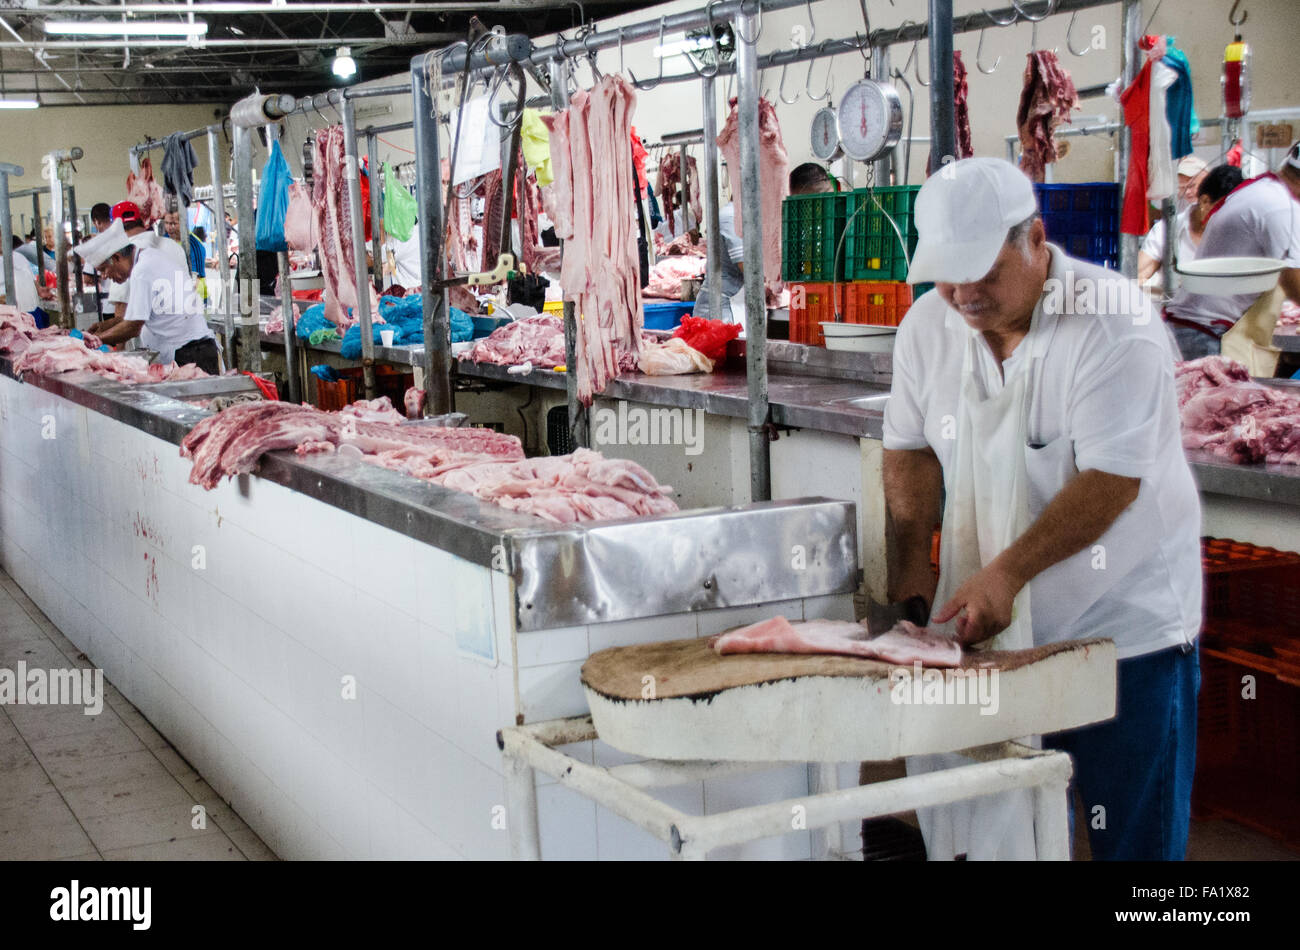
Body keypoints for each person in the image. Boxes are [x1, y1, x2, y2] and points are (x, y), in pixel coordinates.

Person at [882, 157, 1201, 860]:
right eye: (947, 273)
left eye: (985, 272)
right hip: (991, 638)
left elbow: (1111, 482)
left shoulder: (1112, 325)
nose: (963, 293)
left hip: (1122, 633)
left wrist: (1008, 575)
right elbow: (910, 451)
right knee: (993, 823)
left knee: (1134, 846)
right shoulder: (927, 328)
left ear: (1036, 240)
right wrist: (909, 574)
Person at [1165, 140, 1300, 359]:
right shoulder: (1281, 207)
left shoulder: (1264, 190)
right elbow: (1295, 284)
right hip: (1205, 334)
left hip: (1199, 328)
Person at [693, 162, 836, 325]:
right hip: (721, 311)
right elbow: (749, 268)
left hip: (740, 308)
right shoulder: (732, 216)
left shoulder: (753, 219)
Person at [75, 218, 219, 373]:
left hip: (191, 354)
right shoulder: (148, 258)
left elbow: (133, 327)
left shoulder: (142, 270)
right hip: (191, 350)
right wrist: (105, 326)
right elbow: (137, 316)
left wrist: (95, 340)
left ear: (116, 257)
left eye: (104, 269)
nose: (104, 276)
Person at [1137, 155, 1209, 285]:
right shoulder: (1164, 229)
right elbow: (1139, 274)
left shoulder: (1229, 227)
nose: (1187, 192)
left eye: (1192, 186)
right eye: (1182, 188)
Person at [188, 225, 209, 305]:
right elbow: (198, 273)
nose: (206, 235)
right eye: (205, 233)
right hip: (197, 289)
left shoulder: (194, 243)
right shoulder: (196, 245)